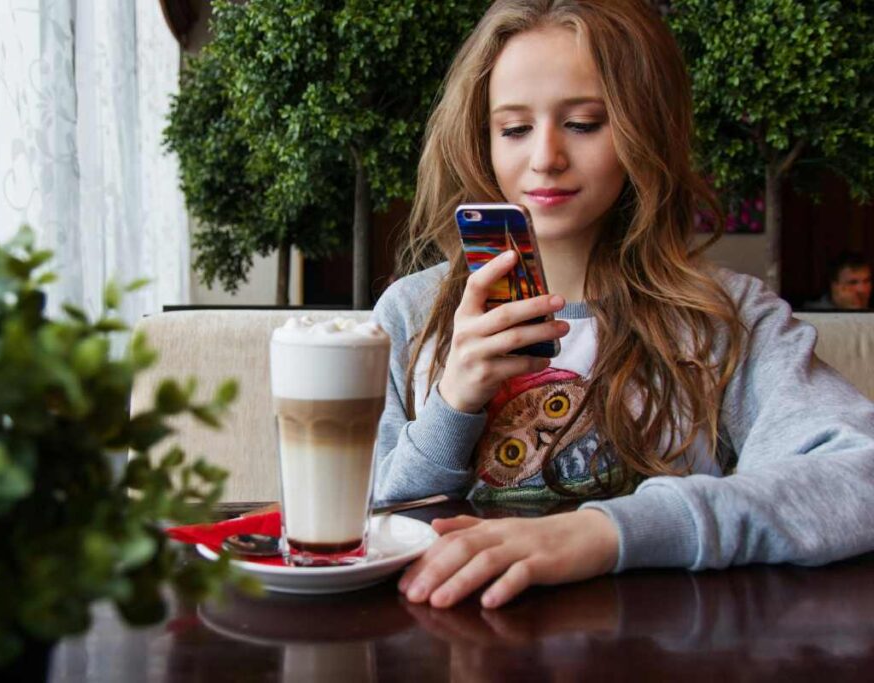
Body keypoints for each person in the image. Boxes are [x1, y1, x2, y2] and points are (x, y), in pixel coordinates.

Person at [371, 0, 874, 611]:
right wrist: (452, 406)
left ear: (646, 128)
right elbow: (357, 518)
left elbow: (860, 475)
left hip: (661, 642)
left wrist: (610, 531)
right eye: (514, 128)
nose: (545, 158)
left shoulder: (726, 319)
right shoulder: (411, 313)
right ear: (481, 138)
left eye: (584, 123)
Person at [805, 251, 872, 310]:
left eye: (867, 281)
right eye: (852, 282)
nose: (862, 289)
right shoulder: (811, 312)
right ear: (834, 286)